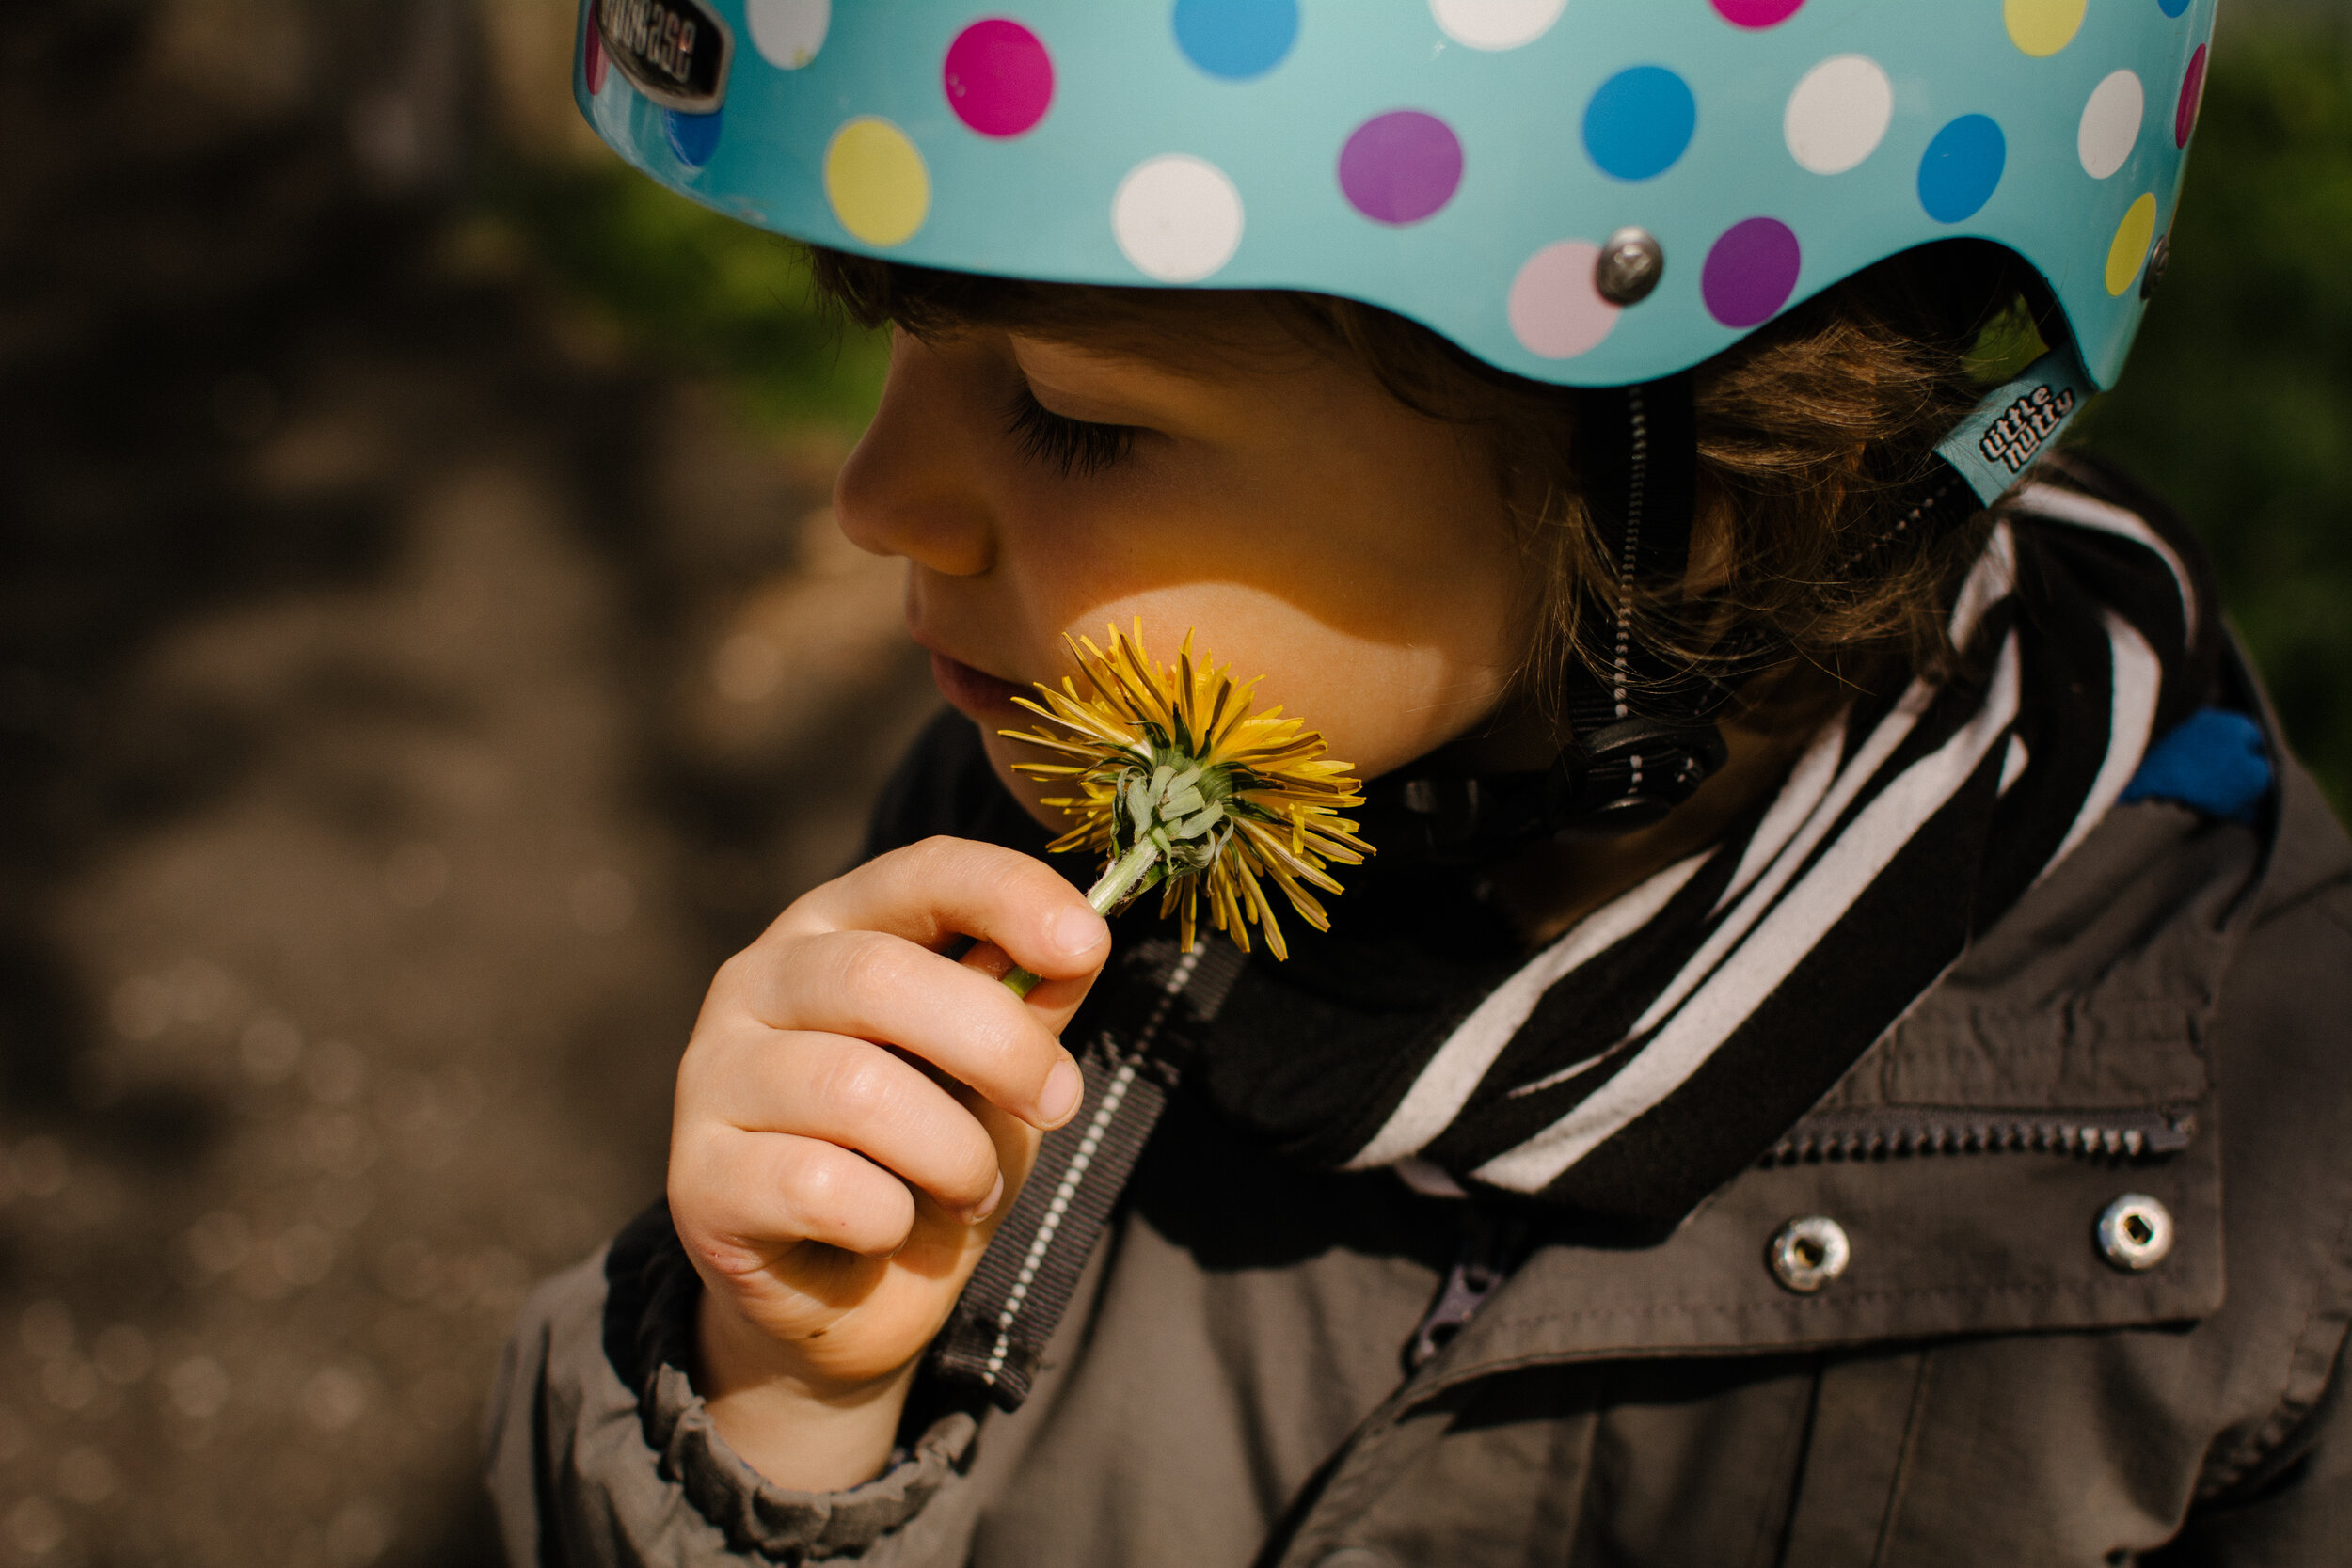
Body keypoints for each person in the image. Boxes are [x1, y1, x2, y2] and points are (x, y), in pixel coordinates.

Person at [489, 3, 2352, 1563]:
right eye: (881, 337)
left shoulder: (2243, 1179)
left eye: (1078, 413)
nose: (875, 497)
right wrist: (782, 1408)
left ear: (1701, 484)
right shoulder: (1045, 837)